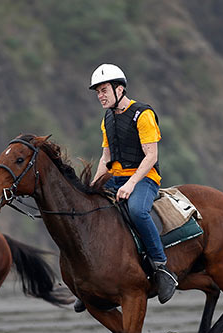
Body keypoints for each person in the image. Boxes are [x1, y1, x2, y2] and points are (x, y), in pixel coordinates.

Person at [74, 64, 177, 312]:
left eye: (104, 89)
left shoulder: (143, 115)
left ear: (120, 89)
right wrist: (92, 187)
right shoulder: (107, 118)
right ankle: (88, 281)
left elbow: (151, 156)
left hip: (144, 178)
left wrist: (131, 183)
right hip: (116, 177)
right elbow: (105, 158)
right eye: (97, 91)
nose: (100, 95)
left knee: (137, 211)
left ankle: (161, 268)